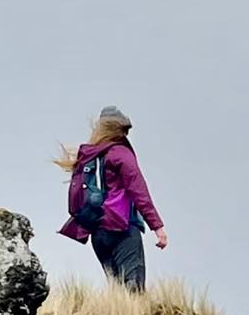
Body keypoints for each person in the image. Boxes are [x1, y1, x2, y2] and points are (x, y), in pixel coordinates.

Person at [57, 110, 167, 289]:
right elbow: (138, 190)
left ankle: (117, 314)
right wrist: (158, 227)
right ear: (120, 130)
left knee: (116, 287)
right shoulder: (120, 153)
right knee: (134, 284)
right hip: (121, 227)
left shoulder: (89, 155)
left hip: (97, 232)